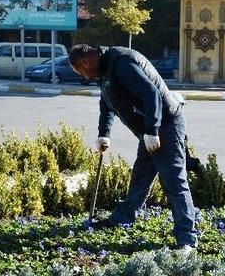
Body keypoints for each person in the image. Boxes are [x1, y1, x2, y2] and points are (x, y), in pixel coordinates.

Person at [69, 44, 198, 252]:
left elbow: (151, 93)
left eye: (81, 71)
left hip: (165, 125)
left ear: (86, 61)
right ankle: (123, 218)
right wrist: (104, 134)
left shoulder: (121, 63)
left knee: (174, 181)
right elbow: (107, 102)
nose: (84, 76)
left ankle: (187, 239)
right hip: (148, 130)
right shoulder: (103, 70)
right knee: (140, 178)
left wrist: (152, 130)